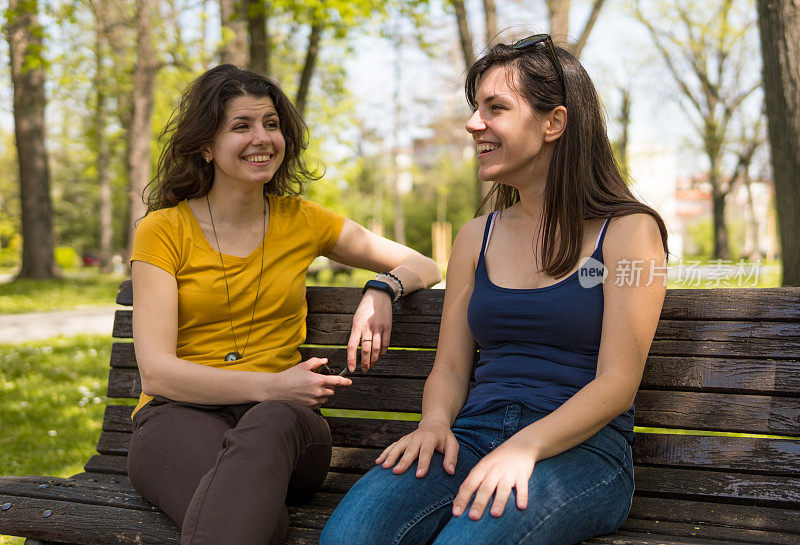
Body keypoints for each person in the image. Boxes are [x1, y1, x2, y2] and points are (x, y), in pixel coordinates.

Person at [320, 35, 668, 545]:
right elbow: (452, 367)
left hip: (583, 452)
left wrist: (525, 447)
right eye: (474, 108)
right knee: (349, 537)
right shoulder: (474, 236)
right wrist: (436, 423)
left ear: (554, 123)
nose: (472, 123)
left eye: (496, 108)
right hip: (473, 435)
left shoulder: (631, 232)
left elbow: (618, 382)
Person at [126, 64, 441, 545]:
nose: (262, 138)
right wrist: (272, 385)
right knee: (258, 521)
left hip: (288, 429)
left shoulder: (303, 220)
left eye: (271, 124)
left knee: (267, 429)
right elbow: (159, 374)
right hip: (177, 417)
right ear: (205, 147)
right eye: (241, 126)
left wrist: (382, 289)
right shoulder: (164, 230)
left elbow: (424, 263)